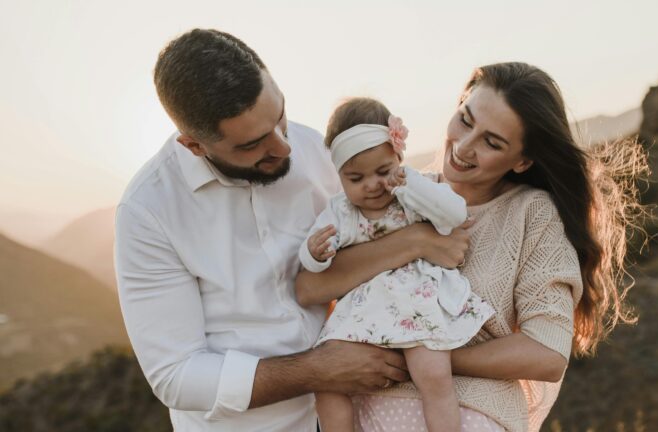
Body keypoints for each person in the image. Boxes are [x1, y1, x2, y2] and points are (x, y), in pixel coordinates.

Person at [114, 29, 473, 431]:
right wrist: (316, 370)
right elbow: (176, 376)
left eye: (280, 118)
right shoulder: (147, 211)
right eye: (254, 144)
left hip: (358, 410)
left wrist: (416, 239)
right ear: (195, 145)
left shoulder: (321, 151)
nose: (285, 148)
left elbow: (367, 242)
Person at [294, 62, 647, 431]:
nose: (463, 147)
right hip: (363, 412)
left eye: (491, 142)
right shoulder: (391, 194)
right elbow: (310, 287)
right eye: (465, 119)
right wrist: (415, 242)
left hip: (469, 413)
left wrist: (423, 353)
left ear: (523, 160)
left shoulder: (532, 214)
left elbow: (546, 353)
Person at [296, 98, 495, 432]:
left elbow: (455, 213)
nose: (372, 184)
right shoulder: (341, 212)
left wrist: (410, 184)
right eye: (355, 178)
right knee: (328, 382)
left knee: (433, 374)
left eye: (382, 171)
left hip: (414, 302)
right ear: (340, 177)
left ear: (398, 158)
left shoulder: (414, 193)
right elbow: (313, 260)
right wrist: (314, 255)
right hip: (362, 310)